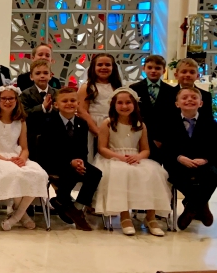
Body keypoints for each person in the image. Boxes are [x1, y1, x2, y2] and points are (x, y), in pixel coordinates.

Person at [91, 87, 169, 236]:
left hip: (135, 158)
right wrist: (119, 157)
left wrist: (139, 157)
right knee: (121, 173)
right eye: (120, 103)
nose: (124, 106)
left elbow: (145, 149)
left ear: (135, 105)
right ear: (113, 105)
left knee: (152, 172)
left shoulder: (140, 125)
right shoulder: (107, 123)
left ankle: (150, 217)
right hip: (112, 157)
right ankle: (125, 216)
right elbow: (102, 148)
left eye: (128, 102)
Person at [0, 86, 48, 231]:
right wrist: (4, 159)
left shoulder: (21, 120)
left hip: (15, 155)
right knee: (15, 174)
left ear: (16, 100)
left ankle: (16, 216)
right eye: (4, 98)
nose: (8, 101)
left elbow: (24, 148)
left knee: (39, 175)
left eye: (11, 98)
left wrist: (23, 159)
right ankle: (22, 216)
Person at [38, 87, 101, 231]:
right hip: (53, 162)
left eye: (73, 100)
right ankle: (64, 200)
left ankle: (75, 207)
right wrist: (70, 162)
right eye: (64, 101)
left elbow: (83, 149)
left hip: (75, 161)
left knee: (95, 173)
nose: (69, 103)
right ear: (56, 104)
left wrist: (80, 161)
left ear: (78, 103)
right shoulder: (48, 122)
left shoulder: (82, 124)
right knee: (70, 172)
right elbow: (48, 151)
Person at [160, 87, 217, 231]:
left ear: (201, 103)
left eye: (193, 97)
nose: (189, 100)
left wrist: (205, 159)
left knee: (213, 174)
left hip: (203, 164)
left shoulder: (210, 123)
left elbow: (215, 147)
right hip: (177, 163)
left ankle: (191, 208)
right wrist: (179, 158)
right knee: (179, 177)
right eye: (184, 98)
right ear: (177, 104)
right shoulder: (168, 122)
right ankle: (201, 206)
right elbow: (165, 148)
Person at [79, 53, 124, 152]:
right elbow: (82, 111)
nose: (104, 67)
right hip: (93, 125)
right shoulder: (87, 87)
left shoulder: (118, 87)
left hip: (114, 125)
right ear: (93, 68)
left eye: (107, 65)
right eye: (100, 65)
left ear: (113, 68)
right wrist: (97, 131)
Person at [129, 54, 178, 145]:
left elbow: (171, 115)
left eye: (157, 68)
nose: (153, 71)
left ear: (164, 70)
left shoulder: (171, 91)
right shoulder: (134, 88)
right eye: (150, 67)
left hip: (162, 135)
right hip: (139, 132)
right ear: (144, 68)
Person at [20, 59, 56, 154]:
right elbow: (24, 113)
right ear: (31, 77)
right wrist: (42, 107)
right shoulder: (25, 94)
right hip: (33, 136)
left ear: (50, 75)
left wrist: (52, 108)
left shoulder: (57, 93)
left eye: (45, 73)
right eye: (38, 73)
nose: (42, 76)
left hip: (54, 136)